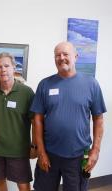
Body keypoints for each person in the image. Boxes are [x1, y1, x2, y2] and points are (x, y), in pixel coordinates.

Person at [30, 41, 106, 191]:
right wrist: (41, 152)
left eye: (65, 54)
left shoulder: (91, 84)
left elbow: (99, 119)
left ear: (76, 57)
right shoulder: (45, 84)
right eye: (57, 55)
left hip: (78, 155)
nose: (61, 58)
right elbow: (37, 119)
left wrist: (95, 151)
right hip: (50, 153)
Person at [0, 52, 35, 191]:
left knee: (23, 184)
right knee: (0, 181)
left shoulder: (26, 93)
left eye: (6, 66)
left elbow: (36, 122)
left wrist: (34, 146)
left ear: (14, 68)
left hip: (19, 150)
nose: (3, 69)